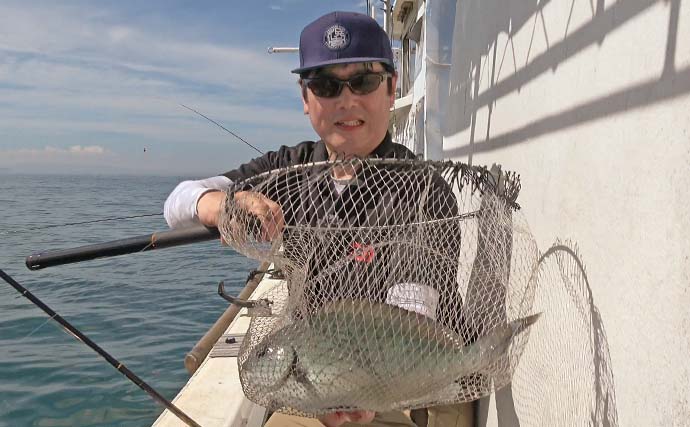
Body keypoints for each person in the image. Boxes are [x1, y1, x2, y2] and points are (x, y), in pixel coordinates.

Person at [165, 11, 474, 427]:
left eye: (363, 81)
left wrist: (363, 389)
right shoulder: (288, 169)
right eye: (326, 85)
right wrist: (222, 205)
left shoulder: (422, 190)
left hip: (413, 384)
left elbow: (413, 314)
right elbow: (177, 202)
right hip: (321, 378)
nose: (346, 100)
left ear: (391, 88)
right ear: (305, 98)